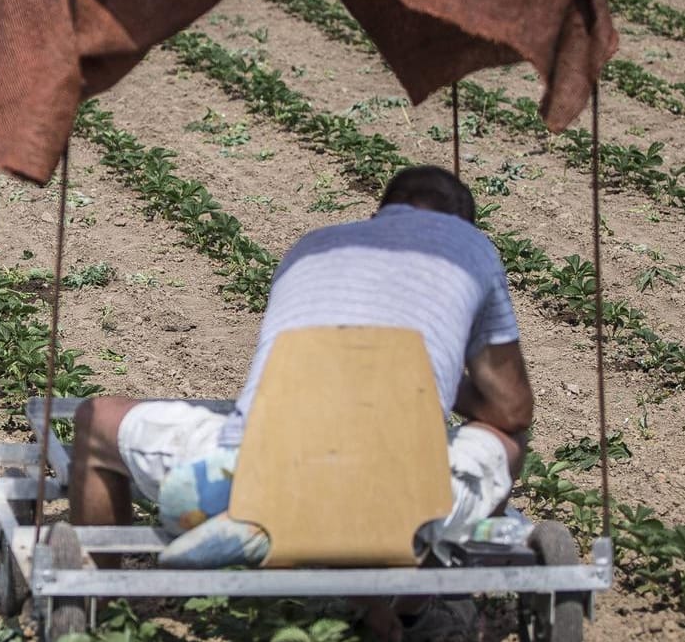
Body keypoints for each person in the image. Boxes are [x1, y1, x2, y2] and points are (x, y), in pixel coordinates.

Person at [65, 165, 534, 576]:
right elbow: (511, 409)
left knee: (98, 420)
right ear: (465, 224)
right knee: (507, 441)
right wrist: (444, 376)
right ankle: (409, 593)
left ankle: (95, 601)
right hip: (406, 489)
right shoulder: (471, 249)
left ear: (381, 215)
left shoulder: (312, 247)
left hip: (263, 468)